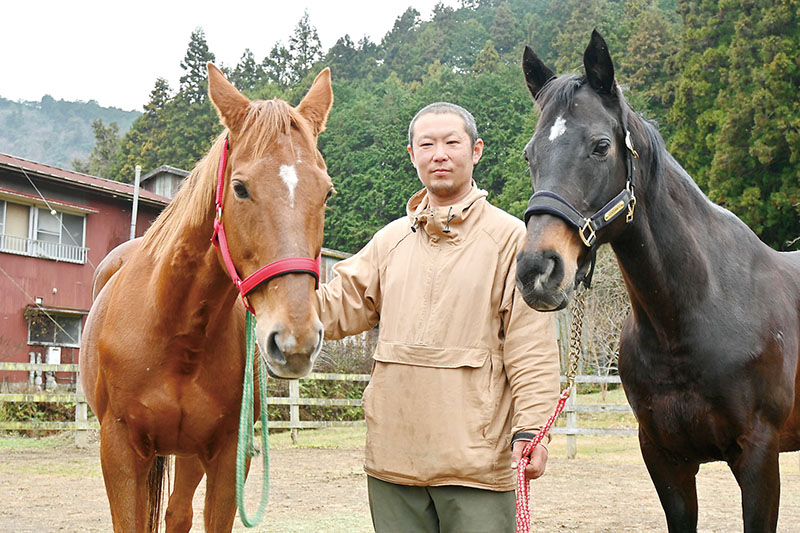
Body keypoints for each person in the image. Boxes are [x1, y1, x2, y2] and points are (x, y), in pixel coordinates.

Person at [317, 102, 560, 532]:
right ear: (412, 155)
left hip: (477, 464)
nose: (439, 155)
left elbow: (531, 348)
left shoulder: (511, 240)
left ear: (476, 151)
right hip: (393, 460)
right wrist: (266, 292)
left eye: (452, 142)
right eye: (427, 145)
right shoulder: (390, 241)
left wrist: (531, 431)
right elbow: (335, 306)